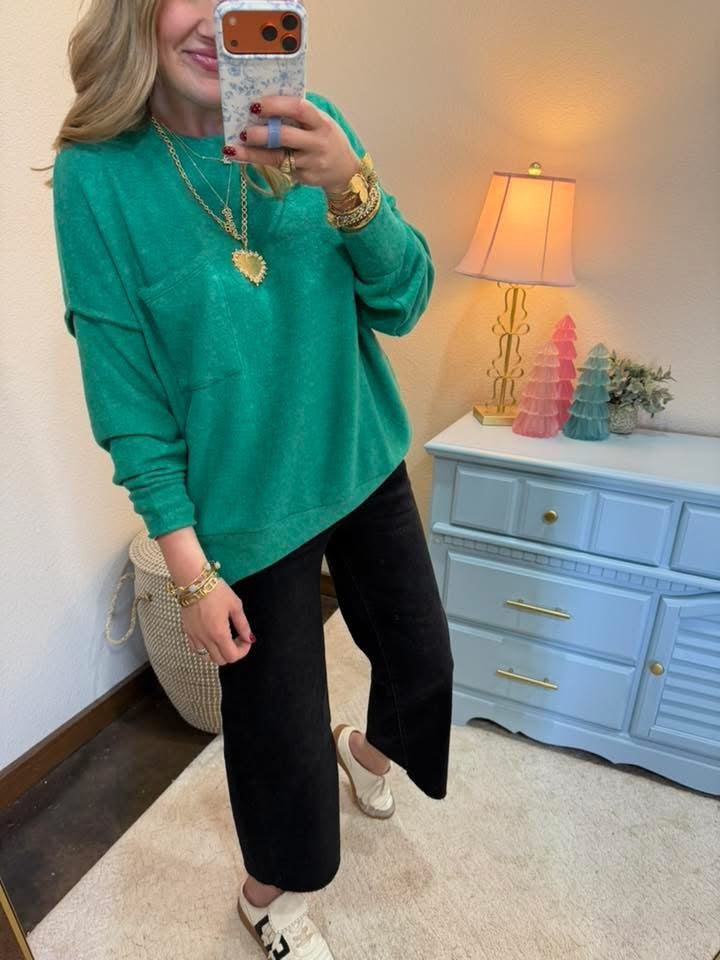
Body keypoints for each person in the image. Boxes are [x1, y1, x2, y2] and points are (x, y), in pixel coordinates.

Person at [50, 0, 454, 955]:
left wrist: (351, 186)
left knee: (423, 668)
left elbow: (402, 301)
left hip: (360, 457)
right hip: (244, 507)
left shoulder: (316, 128)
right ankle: (268, 897)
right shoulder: (96, 177)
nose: (211, 21)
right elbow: (126, 395)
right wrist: (189, 570)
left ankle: (366, 754)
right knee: (279, 743)